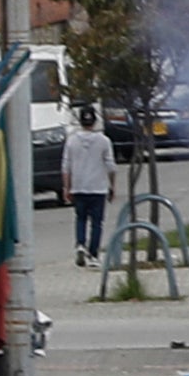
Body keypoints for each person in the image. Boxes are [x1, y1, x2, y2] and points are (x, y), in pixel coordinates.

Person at [64, 109, 117, 267]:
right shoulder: (104, 141)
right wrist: (112, 185)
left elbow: (66, 166)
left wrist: (66, 187)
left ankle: (80, 244)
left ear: (80, 122)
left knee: (80, 218)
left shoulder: (72, 141)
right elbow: (111, 166)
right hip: (97, 187)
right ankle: (93, 254)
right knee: (97, 222)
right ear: (95, 122)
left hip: (79, 186)